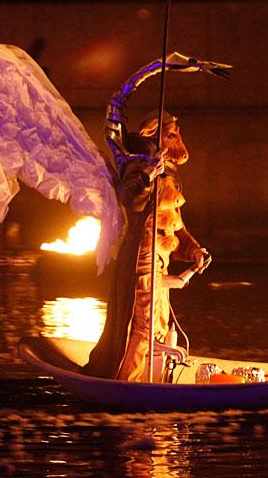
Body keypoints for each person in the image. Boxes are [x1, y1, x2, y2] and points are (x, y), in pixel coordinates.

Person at [83, 111, 211, 381]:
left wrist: (194, 250)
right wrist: (146, 178)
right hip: (143, 257)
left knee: (161, 325)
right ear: (155, 135)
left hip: (161, 258)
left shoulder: (171, 178)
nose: (180, 147)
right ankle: (125, 383)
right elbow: (130, 200)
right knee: (143, 326)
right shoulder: (142, 166)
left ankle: (150, 378)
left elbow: (176, 226)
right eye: (171, 136)